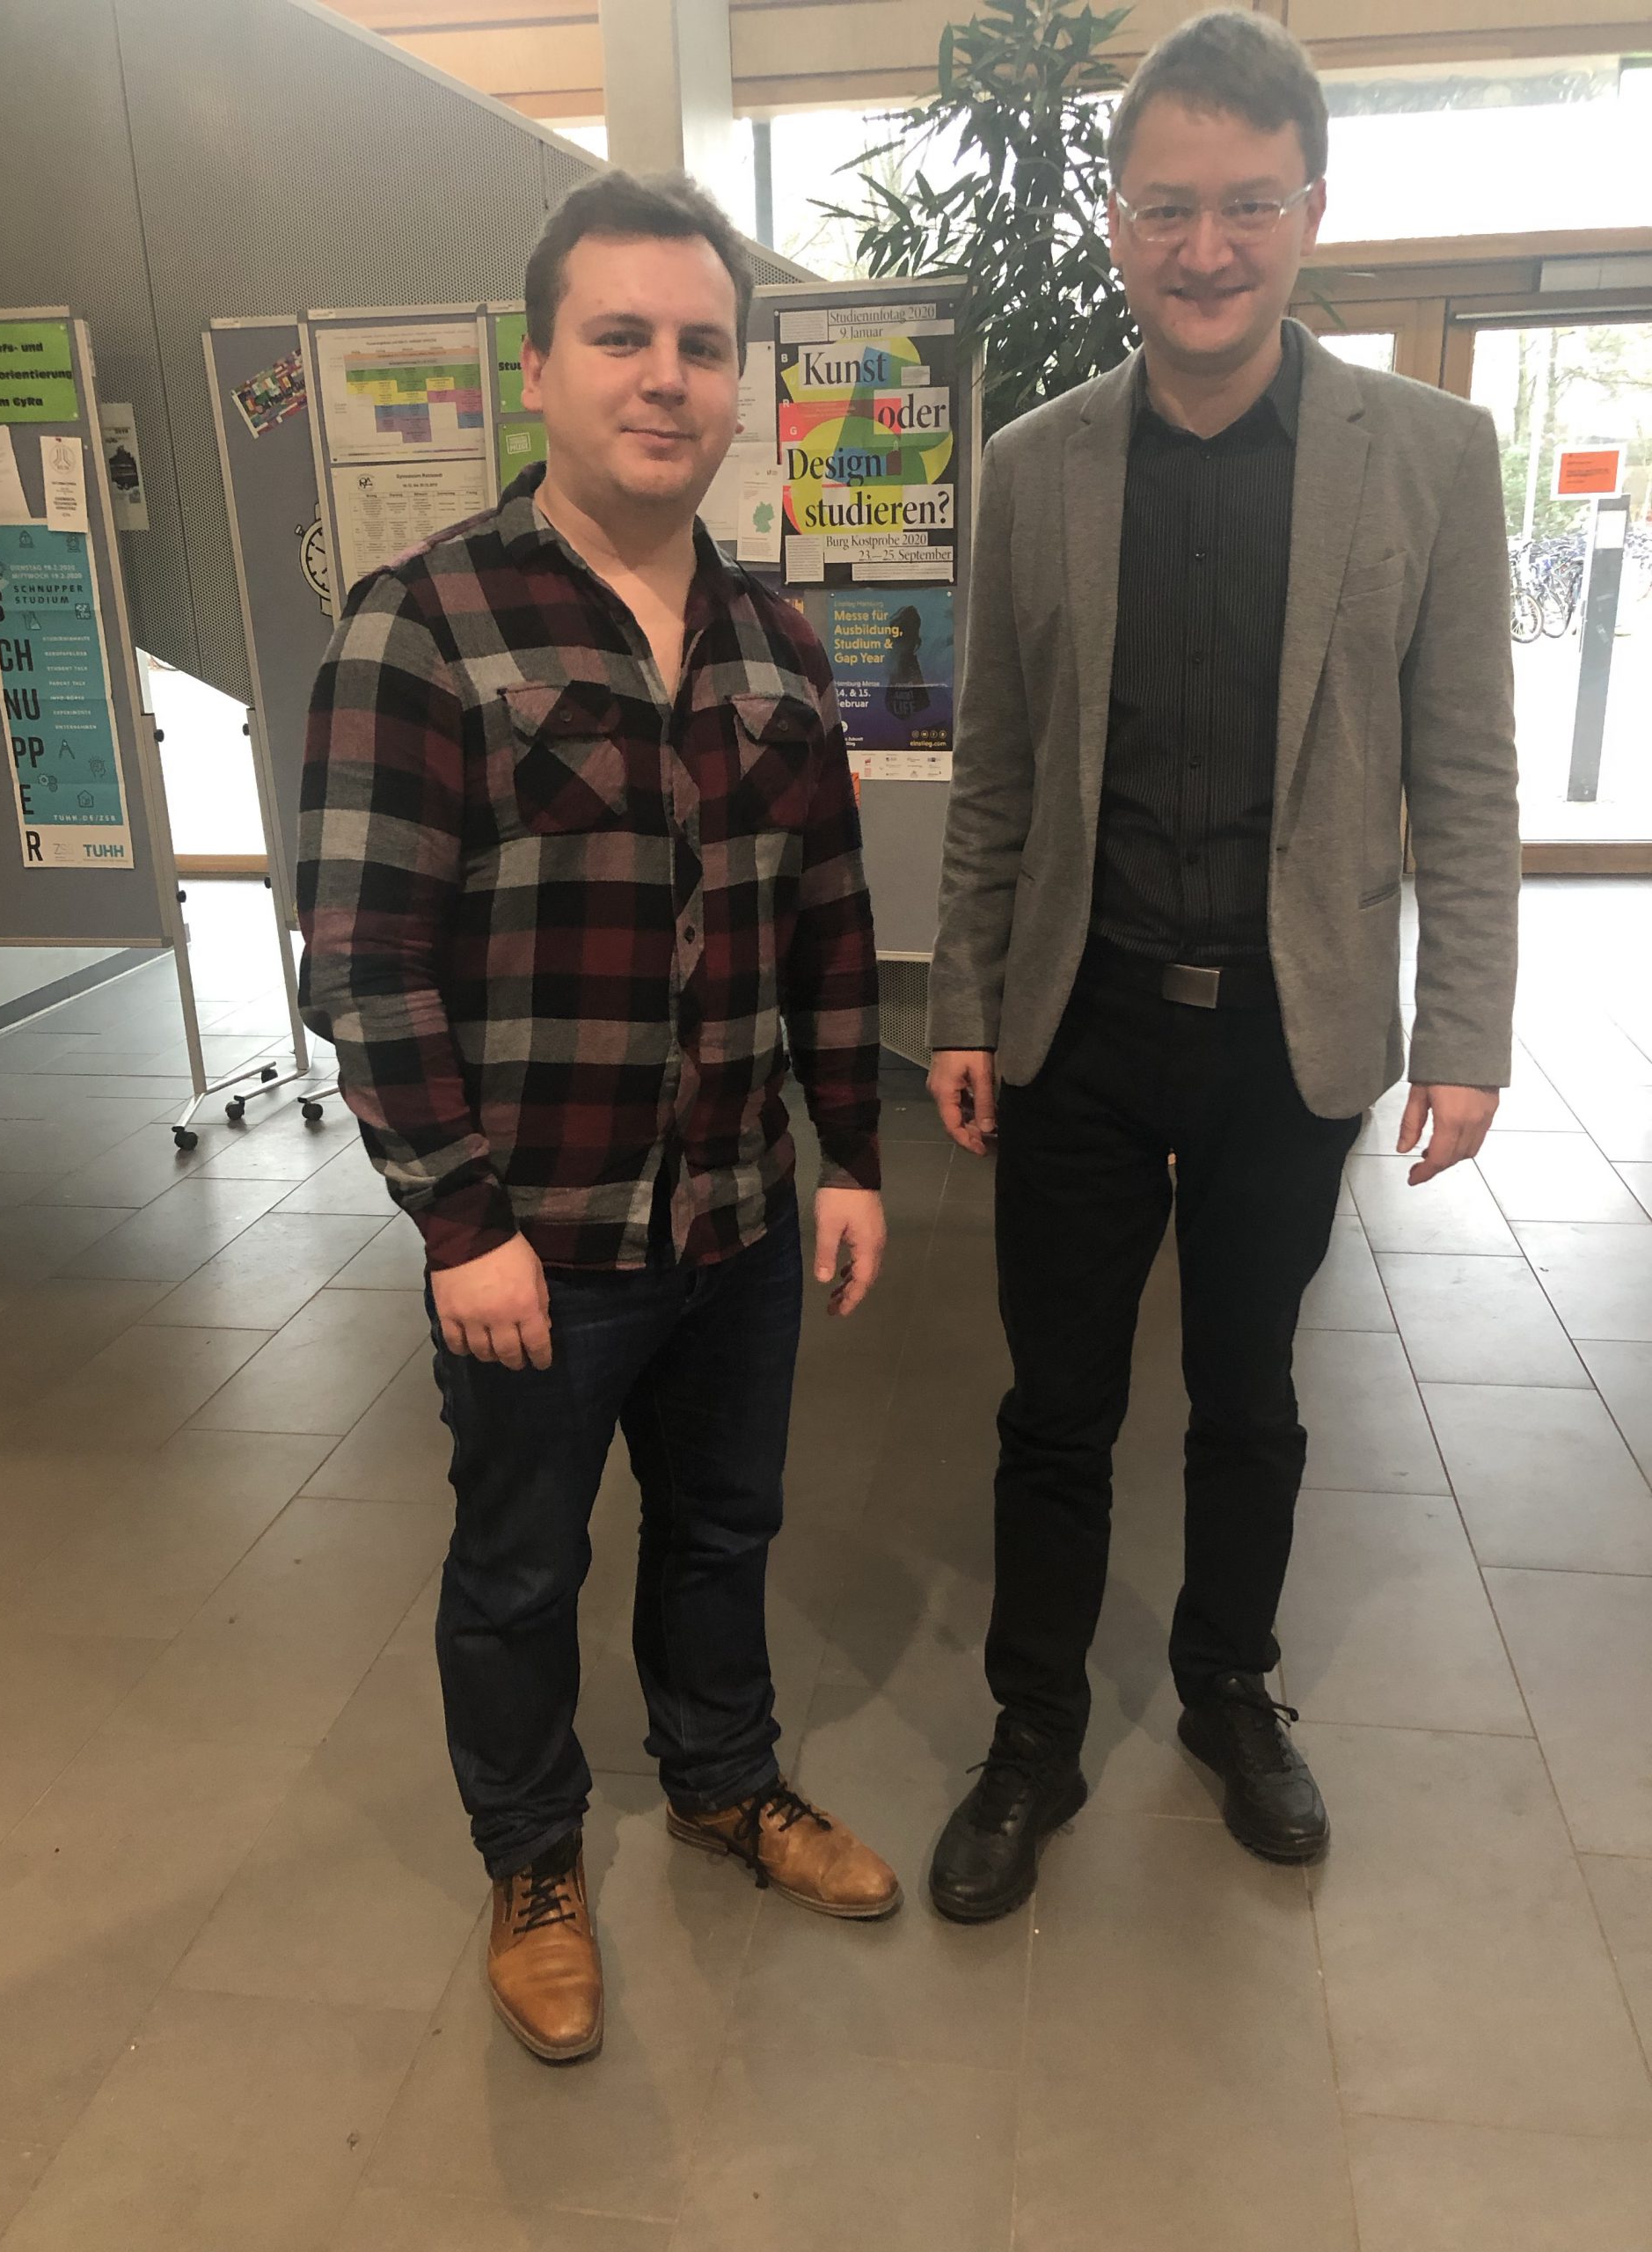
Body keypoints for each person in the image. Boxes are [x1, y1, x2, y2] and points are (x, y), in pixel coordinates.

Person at [299, 170, 900, 2065]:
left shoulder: (776, 641)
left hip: (736, 1217)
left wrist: (853, 1152)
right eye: (621, 336)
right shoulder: (424, 623)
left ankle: (723, 1779)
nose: (666, 376)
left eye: (702, 345)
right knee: (519, 1563)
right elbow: (366, 958)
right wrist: (458, 1221)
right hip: (537, 1240)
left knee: (725, 1527)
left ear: (738, 386)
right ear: (539, 367)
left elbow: (828, 924)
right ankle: (535, 1858)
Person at [925, 10, 1520, 1919]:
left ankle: (1227, 1689)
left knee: (1251, 1392)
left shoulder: (1428, 457)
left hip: (1291, 1026)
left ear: (1309, 210)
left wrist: (1468, 1031)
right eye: (1169, 207)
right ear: (1116, 220)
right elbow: (999, 766)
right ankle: (1032, 1731)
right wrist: (960, 1004)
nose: (1206, 248)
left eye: (1247, 205)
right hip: (1079, 1019)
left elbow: (1466, 769)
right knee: (1055, 1405)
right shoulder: (1037, 466)